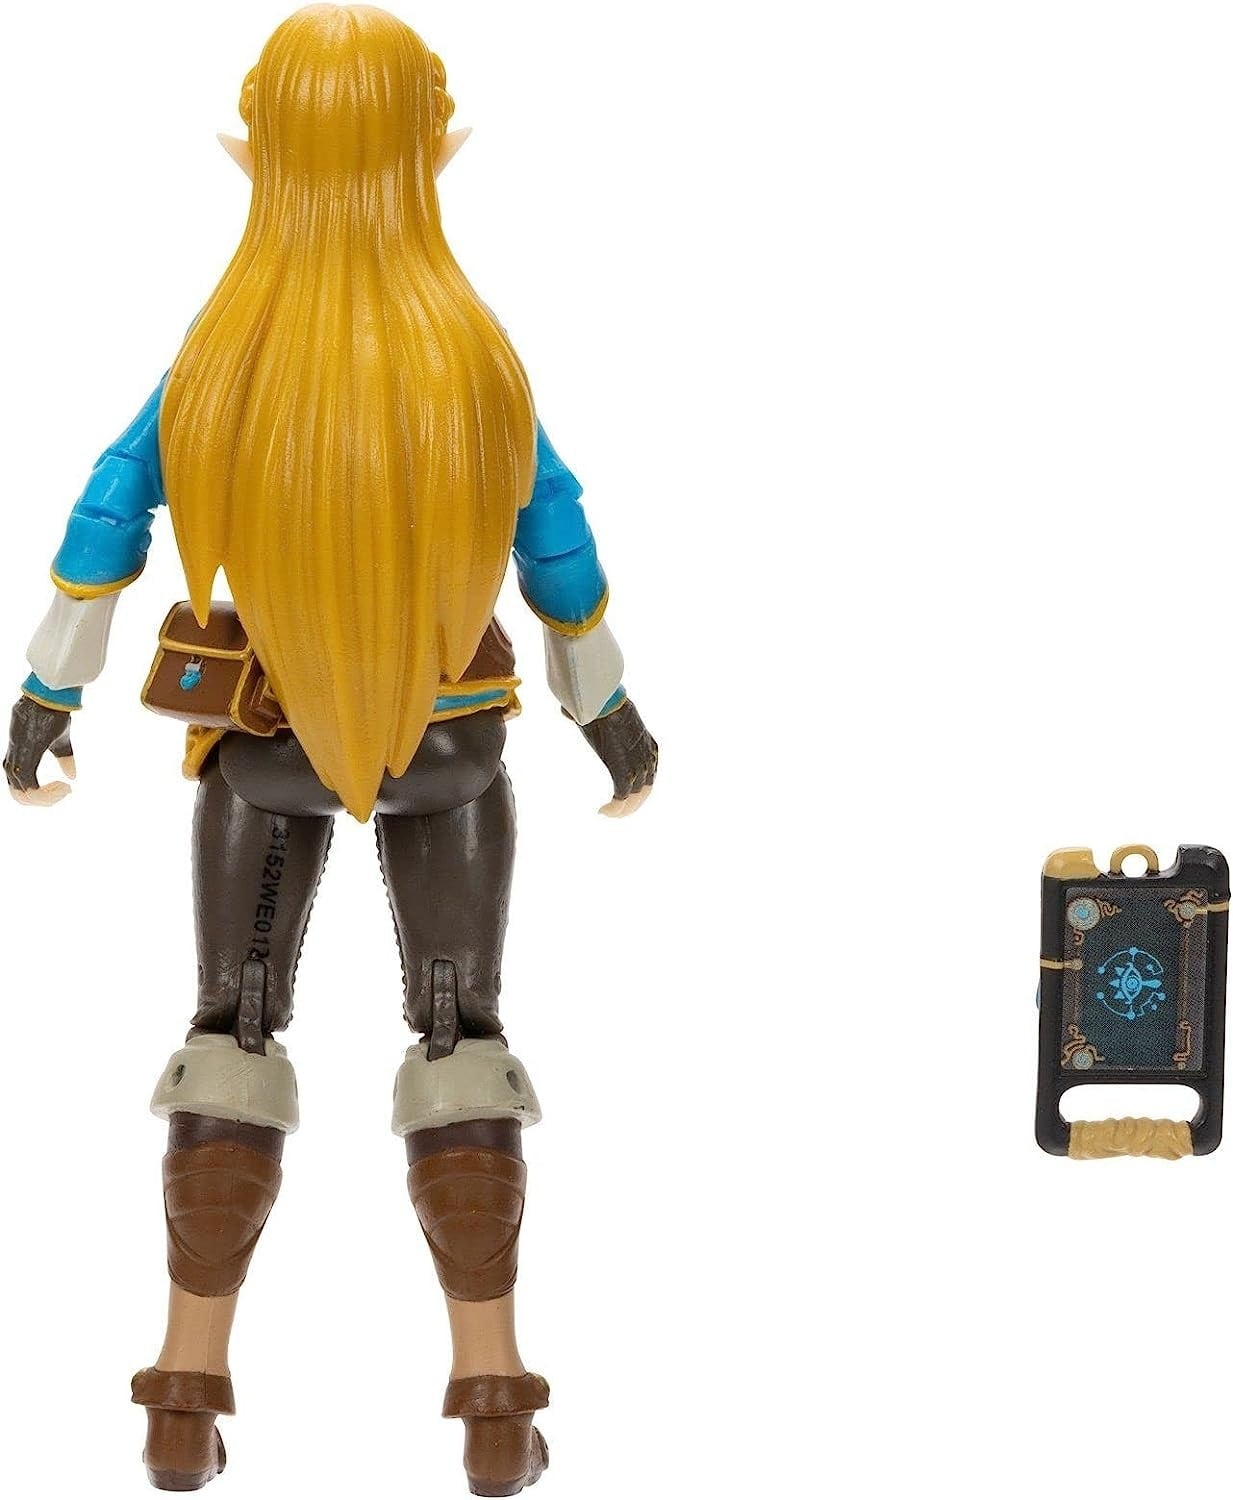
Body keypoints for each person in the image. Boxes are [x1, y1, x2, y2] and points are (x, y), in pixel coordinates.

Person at [3, 7, 657, 1494]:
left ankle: (183, 1393)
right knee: (461, 1035)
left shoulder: (222, 358)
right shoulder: (471, 360)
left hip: (265, 745)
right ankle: (491, 1398)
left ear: (262, 150)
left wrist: (49, 692)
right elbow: (554, 541)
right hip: (450, 745)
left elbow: (107, 516)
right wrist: (605, 711)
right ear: (432, 148)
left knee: (230, 1029)